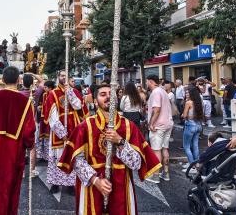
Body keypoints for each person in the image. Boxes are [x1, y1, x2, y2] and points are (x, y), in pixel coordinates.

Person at [57, 84, 161, 215]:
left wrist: (120, 142)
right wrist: (95, 180)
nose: (108, 97)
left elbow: (136, 164)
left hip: (121, 189)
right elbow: (77, 161)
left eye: (111, 94)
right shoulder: (84, 127)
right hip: (92, 187)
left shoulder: (129, 127)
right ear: (95, 101)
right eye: (103, 94)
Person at [0, 66, 36, 215]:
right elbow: (29, 131)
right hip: (13, 152)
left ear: (2, 80)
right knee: (10, 188)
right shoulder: (26, 101)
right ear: (18, 80)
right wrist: (29, 144)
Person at [43, 70, 88, 194]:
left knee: (73, 156)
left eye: (66, 76)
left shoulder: (75, 92)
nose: (64, 78)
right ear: (58, 77)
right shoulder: (52, 93)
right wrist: (62, 133)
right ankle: (55, 184)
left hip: (74, 127)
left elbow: (78, 106)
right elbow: (52, 115)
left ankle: (71, 184)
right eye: (62, 76)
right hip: (59, 129)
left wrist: (70, 92)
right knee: (57, 156)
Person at [145, 74, 174, 183]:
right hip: (168, 123)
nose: (147, 84)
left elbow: (156, 109)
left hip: (158, 125)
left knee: (156, 150)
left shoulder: (156, 92)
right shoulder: (163, 91)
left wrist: (151, 123)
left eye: (147, 81)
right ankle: (165, 173)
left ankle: (156, 175)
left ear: (151, 81)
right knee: (165, 148)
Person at [181, 87, 205, 172]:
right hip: (198, 125)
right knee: (195, 145)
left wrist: (183, 115)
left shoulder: (189, 102)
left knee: (186, 146)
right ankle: (196, 163)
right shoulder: (200, 102)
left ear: (192, 94)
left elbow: (184, 115)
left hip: (190, 125)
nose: (186, 94)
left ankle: (192, 167)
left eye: (188, 93)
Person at [37, 80, 55, 161]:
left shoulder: (53, 94)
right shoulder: (44, 94)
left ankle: (49, 156)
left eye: (45, 87)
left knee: (50, 138)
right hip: (43, 117)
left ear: (50, 88)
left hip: (51, 118)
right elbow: (43, 104)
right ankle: (43, 156)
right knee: (43, 137)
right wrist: (40, 107)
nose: (44, 88)